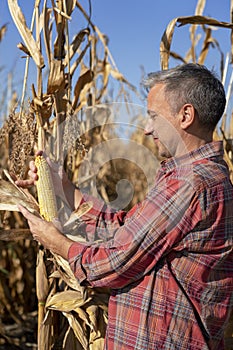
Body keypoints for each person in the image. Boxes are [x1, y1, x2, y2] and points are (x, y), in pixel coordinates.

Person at [17, 63, 233, 350]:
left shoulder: (191, 183)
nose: (146, 129)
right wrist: (65, 189)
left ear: (185, 116)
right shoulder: (198, 176)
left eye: (154, 117)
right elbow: (127, 228)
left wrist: (56, 242)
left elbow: (116, 261)